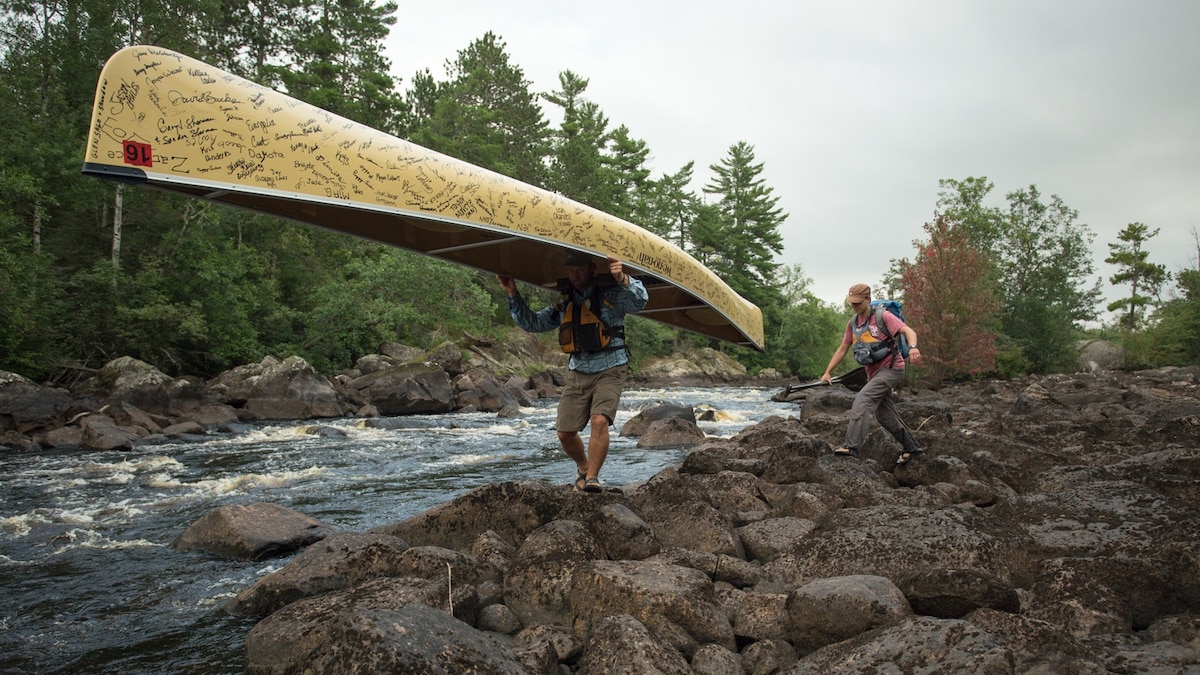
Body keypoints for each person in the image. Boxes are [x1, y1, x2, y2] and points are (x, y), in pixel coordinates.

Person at [497, 251, 648, 492]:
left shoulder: (612, 294)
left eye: (579, 269)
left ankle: (592, 480)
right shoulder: (565, 301)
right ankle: (584, 467)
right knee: (565, 433)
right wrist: (513, 295)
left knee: (599, 420)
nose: (574, 275)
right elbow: (534, 323)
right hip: (578, 369)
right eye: (570, 270)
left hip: (611, 366)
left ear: (591, 269)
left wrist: (624, 279)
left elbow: (640, 301)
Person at [820, 283, 924, 465]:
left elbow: (908, 331)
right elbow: (843, 349)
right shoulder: (852, 323)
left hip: (892, 369)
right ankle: (912, 448)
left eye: (858, 303)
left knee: (863, 399)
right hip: (873, 373)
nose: (855, 306)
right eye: (852, 303)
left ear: (868, 299)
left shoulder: (883, 316)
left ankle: (852, 448)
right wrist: (828, 372)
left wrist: (913, 348)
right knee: (885, 416)